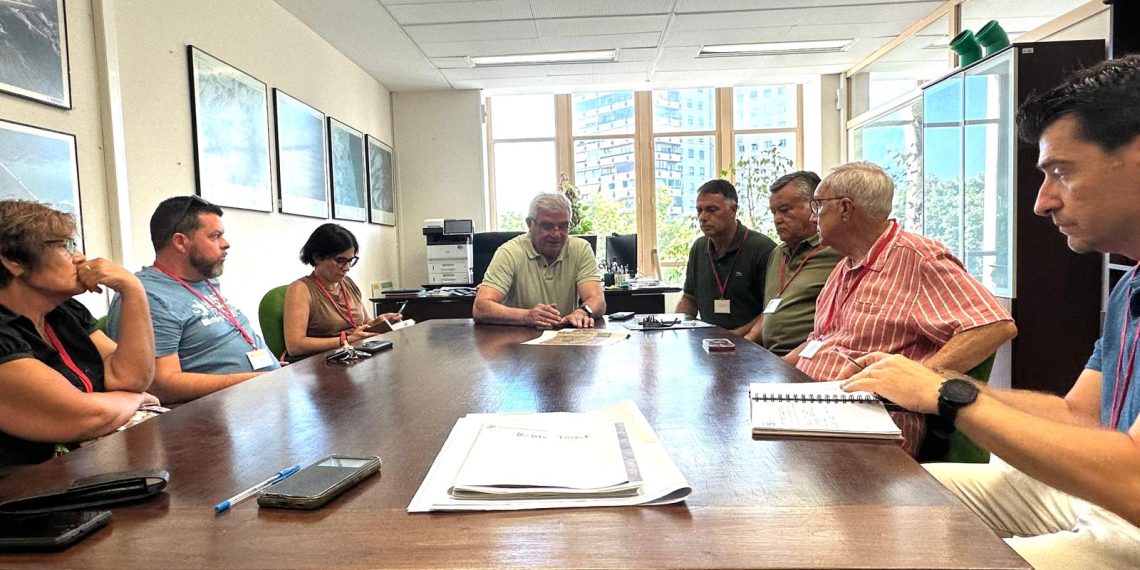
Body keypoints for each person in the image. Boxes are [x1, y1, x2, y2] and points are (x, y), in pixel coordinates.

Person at [842, 55, 1140, 569]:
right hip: (1103, 500)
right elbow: (1080, 417)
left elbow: (1134, 482)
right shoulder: (1130, 285)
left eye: (1061, 173)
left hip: (1127, 510)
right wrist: (921, 382)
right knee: (876, 498)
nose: (1041, 203)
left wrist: (950, 396)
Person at [786, 162, 1016, 455]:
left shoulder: (918, 259)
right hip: (819, 407)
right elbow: (821, 339)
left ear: (845, 208)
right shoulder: (846, 264)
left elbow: (994, 324)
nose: (813, 215)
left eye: (818, 205)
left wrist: (920, 378)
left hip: (868, 421)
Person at [0, 200, 156, 473]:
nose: (80, 257)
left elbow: (130, 378)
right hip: (19, 495)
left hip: (76, 469)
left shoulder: (65, 312)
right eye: (64, 246)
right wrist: (136, 400)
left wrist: (132, 289)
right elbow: (83, 416)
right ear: (13, 262)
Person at [107, 195, 278, 405]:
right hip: (215, 416)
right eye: (215, 236)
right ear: (180, 242)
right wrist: (254, 381)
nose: (226, 244)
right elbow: (161, 384)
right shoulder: (149, 296)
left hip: (262, 397)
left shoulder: (203, 280)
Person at [742, 171, 842, 354]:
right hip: (769, 357)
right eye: (774, 212)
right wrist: (744, 343)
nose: (777, 219)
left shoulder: (837, 252)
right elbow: (771, 309)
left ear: (815, 207)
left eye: (785, 209)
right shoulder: (777, 254)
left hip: (810, 359)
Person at [473, 193, 605, 328]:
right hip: (518, 340)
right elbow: (481, 307)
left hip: (565, 338)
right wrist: (527, 316)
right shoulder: (509, 253)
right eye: (547, 226)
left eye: (563, 226)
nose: (556, 234)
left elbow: (597, 300)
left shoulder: (580, 249)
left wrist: (582, 312)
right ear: (530, 224)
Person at [282, 223, 401, 361]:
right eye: (340, 261)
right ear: (317, 257)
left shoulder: (348, 283)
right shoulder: (300, 289)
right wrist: (345, 340)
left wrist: (379, 322)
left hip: (356, 356)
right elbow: (295, 345)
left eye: (351, 261)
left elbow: (363, 324)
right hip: (323, 363)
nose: (347, 268)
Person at [676, 179, 776, 334]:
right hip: (706, 343)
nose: (703, 217)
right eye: (699, 210)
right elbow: (689, 299)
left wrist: (734, 337)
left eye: (712, 210)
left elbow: (770, 310)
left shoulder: (761, 248)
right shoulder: (699, 247)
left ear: (733, 210)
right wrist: (678, 329)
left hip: (749, 345)